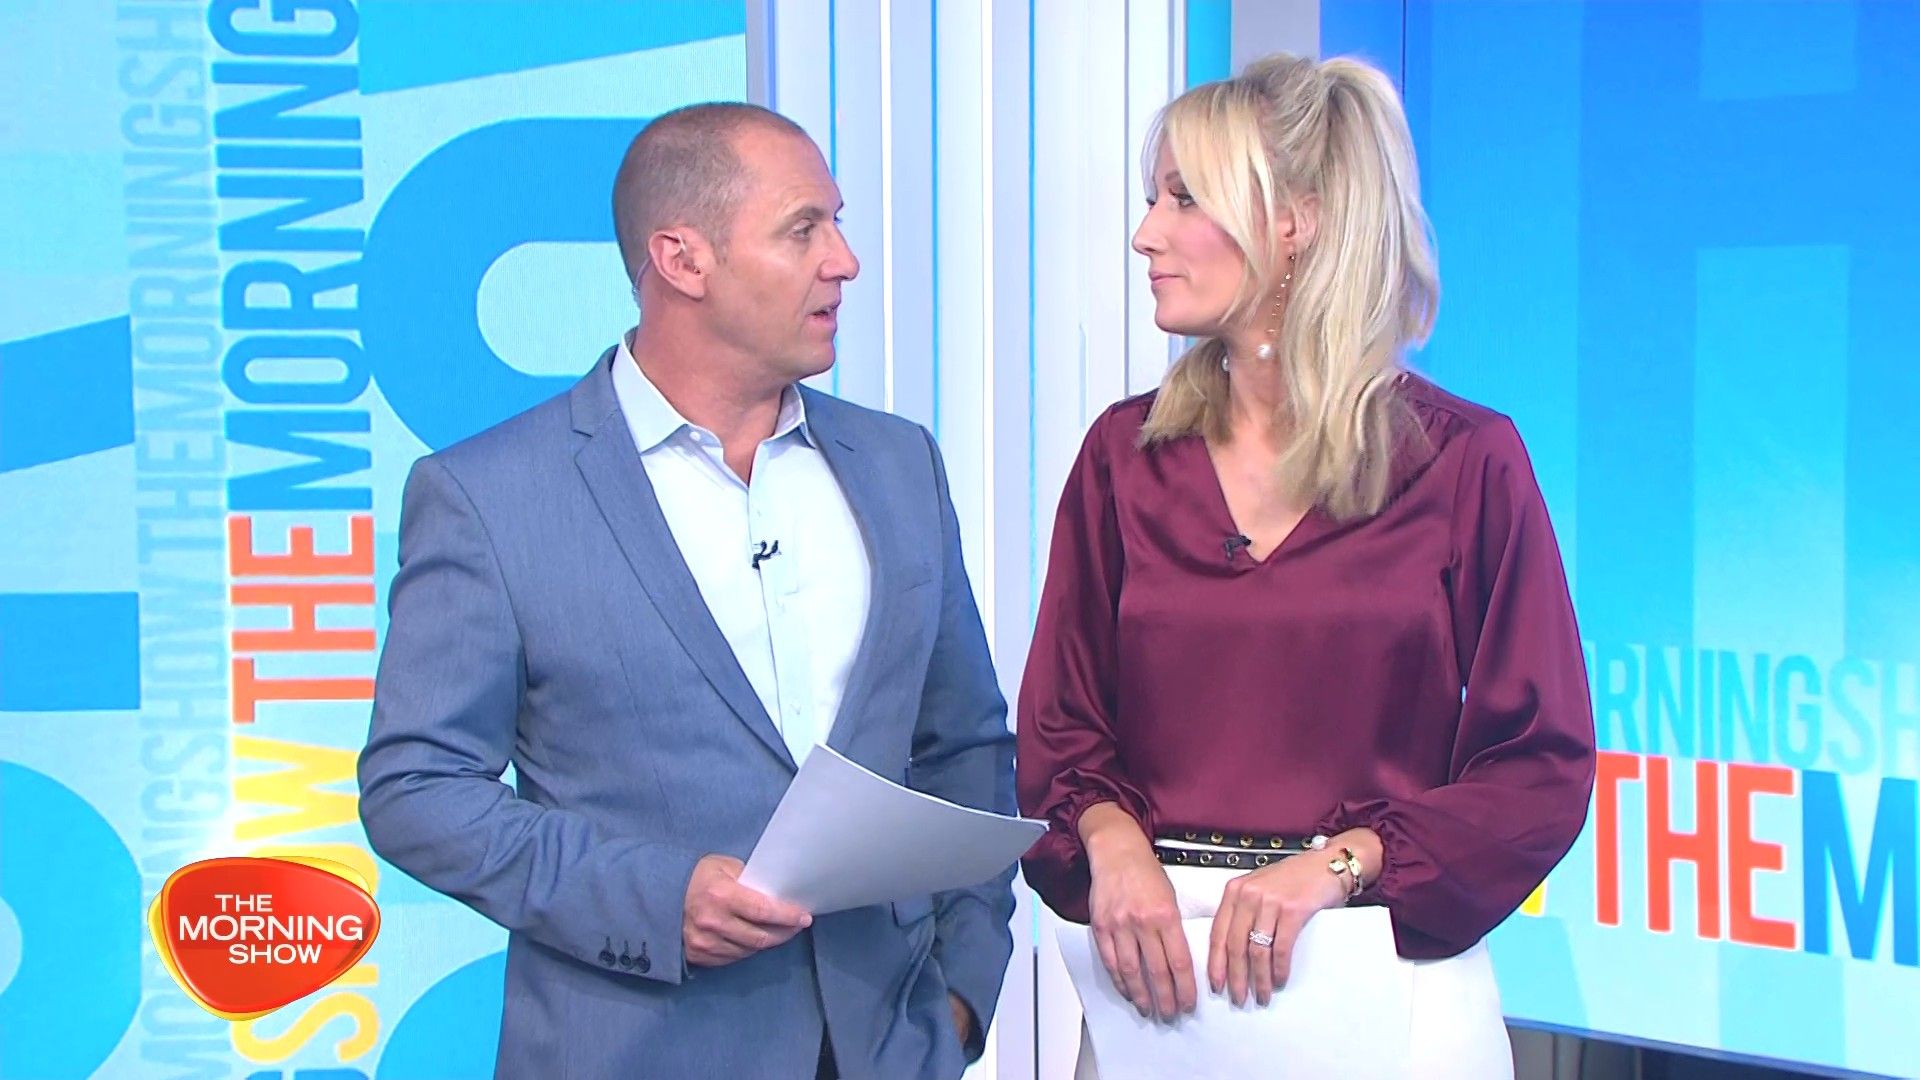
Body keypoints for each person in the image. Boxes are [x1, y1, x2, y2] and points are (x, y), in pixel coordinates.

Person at [359, 102, 1016, 1080]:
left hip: (893, 1048)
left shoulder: (899, 464)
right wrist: (654, 900)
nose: (844, 261)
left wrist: (963, 997)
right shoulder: (490, 497)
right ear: (682, 259)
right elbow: (416, 791)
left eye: (837, 224)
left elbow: (965, 746)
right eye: (803, 229)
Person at [1017, 53, 1596, 1077]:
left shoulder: (1466, 462)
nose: (1145, 234)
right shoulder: (1122, 459)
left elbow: (1537, 768)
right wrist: (1109, 844)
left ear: (1294, 222)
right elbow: (1060, 730)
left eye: (1183, 198)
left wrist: (1338, 867)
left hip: (1384, 994)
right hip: (1160, 1007)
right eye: (1152, 199)